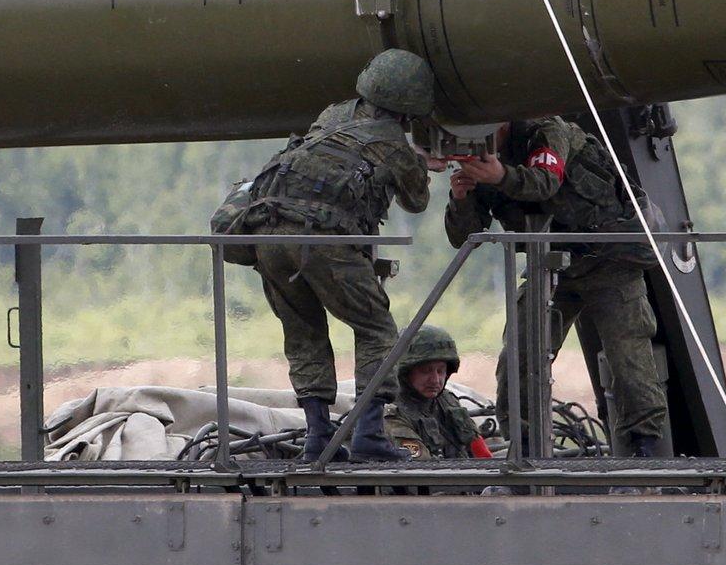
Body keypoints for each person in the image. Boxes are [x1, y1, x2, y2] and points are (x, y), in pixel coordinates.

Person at [220, 49, 439, 462]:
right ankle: (369, 435)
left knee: (304, 333)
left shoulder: (334, 113)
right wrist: (420, 163)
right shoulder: (394, 143)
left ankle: (318, 437)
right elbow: (417, 200)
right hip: (322, 239)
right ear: (412, 107)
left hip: (267, 229)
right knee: (377, 331)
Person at [445, 117, 669, 458]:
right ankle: (524, 448)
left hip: (608, 262)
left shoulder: (546, 132)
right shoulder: (481, 159)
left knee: (628, 357)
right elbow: (463, 236)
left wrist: (500, 176)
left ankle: (645, 449)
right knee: (519, 352)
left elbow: (545, 183)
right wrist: (460, 197)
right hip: (548, 265)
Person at [383, 325, 493, 459]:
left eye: (440, 371)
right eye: (425, 371)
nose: (435, 380)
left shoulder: (447, 400)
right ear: (405, 374)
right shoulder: (393, 413)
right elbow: (422, 465)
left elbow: (481, 452)